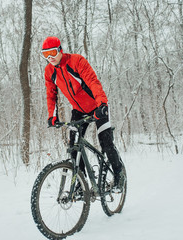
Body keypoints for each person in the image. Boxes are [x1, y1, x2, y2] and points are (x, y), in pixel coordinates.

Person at [41, 36, 125, 190]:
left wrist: (102, 104)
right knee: (73, 146)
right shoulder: (49, 71)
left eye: (52, 53)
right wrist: (52, 116)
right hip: (79, 111)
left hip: (97, 107)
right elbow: (51, 94)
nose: (50, 58)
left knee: (106, 142)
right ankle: (81, 184)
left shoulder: (76, 61)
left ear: (60, 49)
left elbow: (93, 82)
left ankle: (119, 176)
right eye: (45, 55)